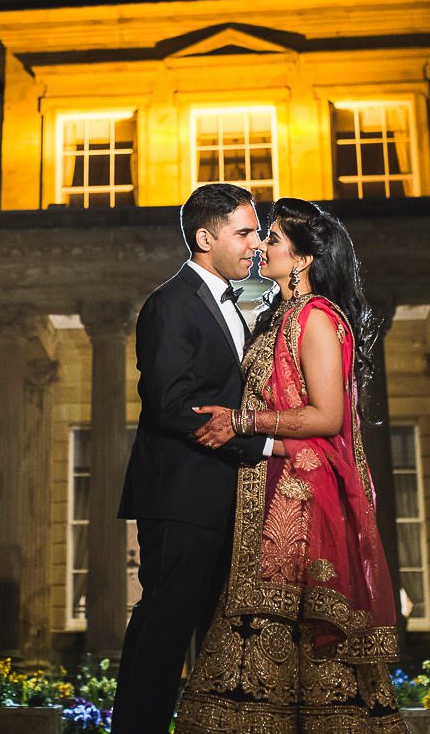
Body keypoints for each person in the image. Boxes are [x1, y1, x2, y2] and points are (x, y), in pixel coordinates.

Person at [176, 197, 406, 733]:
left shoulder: (317, 316)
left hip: (299, 506)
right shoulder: (278, 316)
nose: (261, 245)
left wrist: (242, 421)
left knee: (298, 639)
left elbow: (326, 416)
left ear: (301, 259)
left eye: (272, 239)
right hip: (268, 492)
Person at [111, 183, 276, 734]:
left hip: (223, 491)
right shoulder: (170, 302)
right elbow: (170, 402)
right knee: (164, 624)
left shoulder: (242, 298)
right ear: (206, 238)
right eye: (246, 231)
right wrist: (263, 442)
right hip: (180, 494)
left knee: (216, 629)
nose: (258, 242)